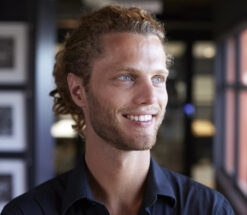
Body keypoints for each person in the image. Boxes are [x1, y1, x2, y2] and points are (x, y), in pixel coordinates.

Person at [1, 5, 234, 215]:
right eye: (126, 77)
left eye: (158, 78)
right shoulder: (27, 212)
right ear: (78, 91)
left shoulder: (208, 208)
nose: (151, 97)